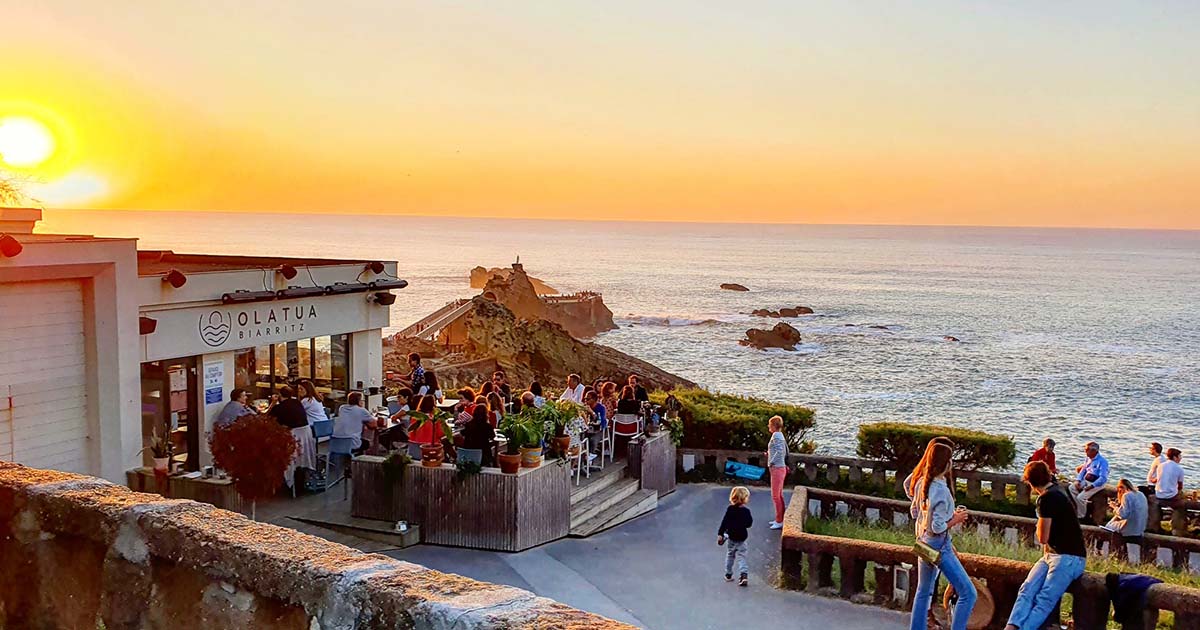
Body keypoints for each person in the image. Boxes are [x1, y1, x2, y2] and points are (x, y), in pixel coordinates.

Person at [1005, 460, 1087, 630]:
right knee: (1027, 589)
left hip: (1068, 557)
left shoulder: (1047, 498)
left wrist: (1037, 526)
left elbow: (1042, 537)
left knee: (1043, 599)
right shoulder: (1058, 490)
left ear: (1030, 482)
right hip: (1053, 555)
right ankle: (1011, 627)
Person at [909, 442, 976, 630]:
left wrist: (941, 514)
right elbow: (938, 527)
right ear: (946, 464)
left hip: (923, 542)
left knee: (923, 591)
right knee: (968, 593)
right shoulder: (942, 490)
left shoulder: (922, 482)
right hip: (939, 544)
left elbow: (914, 511)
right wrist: (956, 518)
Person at [717, 486, 754, 587]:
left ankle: (728, 574)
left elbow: (724, 522)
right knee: (742, 557)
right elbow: (749, 524)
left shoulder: (730, 509)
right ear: (744, 498)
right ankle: (743, 575)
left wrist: (720, 534)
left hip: (731, 537)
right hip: (742, 538)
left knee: (730, 555)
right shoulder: (746, 511)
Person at [1103, 479, 1147, 557]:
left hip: (1130, 529)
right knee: (1115, 523)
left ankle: (1116, 552)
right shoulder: (1141, 494)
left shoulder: (1126, 495)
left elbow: (1123, 515)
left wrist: (1114, 507)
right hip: (1140, 527)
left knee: (1108, 526)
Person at [1068, 441, 1109, 521]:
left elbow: (1103, 478)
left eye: (1087, 450)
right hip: (1086, 479)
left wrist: (1092, 486)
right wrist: (1078, 480)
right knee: (1071, 488)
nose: (1085, 452)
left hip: (1097, 483)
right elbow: (1083, 470)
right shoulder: (1088, 459)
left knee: (1080, 498)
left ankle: (1081, 516)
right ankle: (1081, 507)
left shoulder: (1102, 462)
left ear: (1094, 451)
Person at [1155, 448, 1186, 535]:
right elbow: (1180, 485)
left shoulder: (1161, 465)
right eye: (1179, 456)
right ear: (1175, 457)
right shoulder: (1179, 469)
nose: (1180, 458)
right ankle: (1177, 529)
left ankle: (1157, 525)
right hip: (1170, 496)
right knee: (1181, 505)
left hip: (1158, 493)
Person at [766, 415, 788, 530]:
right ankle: (780, 518)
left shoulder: (776, 436)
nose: (768, 426)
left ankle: (779, 521)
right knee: (778, 495)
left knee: (776, 496)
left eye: (769, 424)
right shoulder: (780, 435)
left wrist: (771, 462)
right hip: (780, 467)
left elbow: (779, 452)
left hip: (777, 469)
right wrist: (769, 455)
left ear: (774, 426)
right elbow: (783, 450)